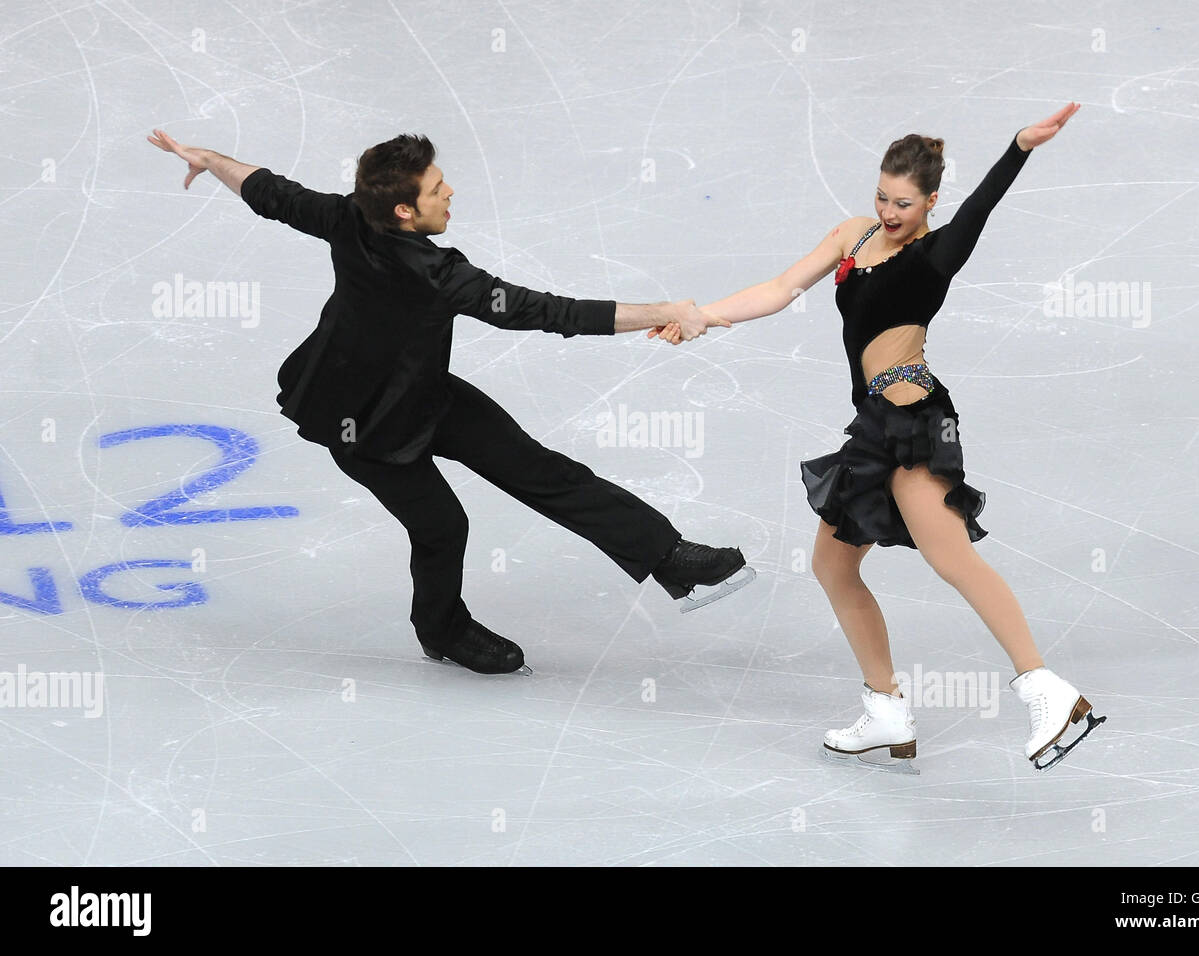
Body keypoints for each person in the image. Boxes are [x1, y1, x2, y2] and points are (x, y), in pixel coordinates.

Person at [147, 130, 755, 676]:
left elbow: (269, 190)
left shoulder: (351, 216)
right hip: (362, 425)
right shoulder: (435, 272)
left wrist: (208, 158)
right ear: (405, 211)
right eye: (438, 188)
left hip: (426, 393)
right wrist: (666, 311)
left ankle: (669, 557)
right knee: (442, 525)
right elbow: (549, 313)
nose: (451, 192)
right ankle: (442, 630)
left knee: (542, 471)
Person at [653, 104, 1105, 770]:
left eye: (904, 203)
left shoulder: (933, 256)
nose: (890, 211)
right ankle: (886, 708)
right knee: (833, 565)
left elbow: (982, 207)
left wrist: (1018, 147)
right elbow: (780, 288)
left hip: (916, 423)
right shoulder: (855, 236)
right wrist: (703, 316)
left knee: (951, 559)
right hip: (873, 425)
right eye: (882, 197)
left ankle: (1044, 687)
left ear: (928, 202)